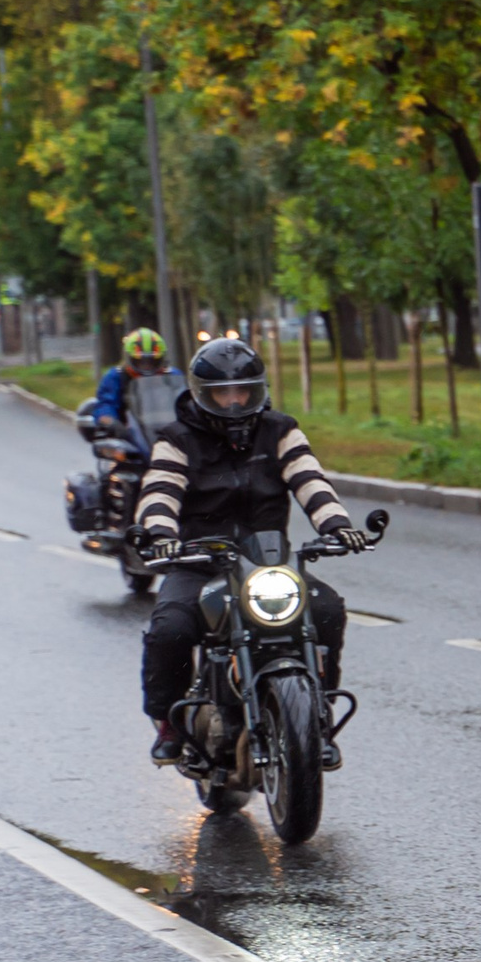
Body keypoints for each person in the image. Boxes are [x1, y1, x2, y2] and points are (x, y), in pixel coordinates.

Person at [133, 337, 369, 767]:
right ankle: (168, 724)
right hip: (199, 563)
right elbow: (160, 491)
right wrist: (159, 533)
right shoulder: (177, 438)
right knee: (170, 628)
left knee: (329, 609)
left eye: (243, 390)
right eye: (223, 392)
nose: (234, 400)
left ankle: (318, 715)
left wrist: (338, 526)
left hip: (267, 563)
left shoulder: (280, 430)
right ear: (203, 394)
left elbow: (310, 479)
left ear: (258, 389)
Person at [89, 329, 178, 453]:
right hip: (127, 438)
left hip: (171, 438)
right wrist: (110, 421)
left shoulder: (172, 375)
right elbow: (105, 403)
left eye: (152, 362)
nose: (147, 366)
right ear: (129, 358)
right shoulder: (116, 376)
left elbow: (185, 401)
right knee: (114, 467)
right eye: (141, 362)